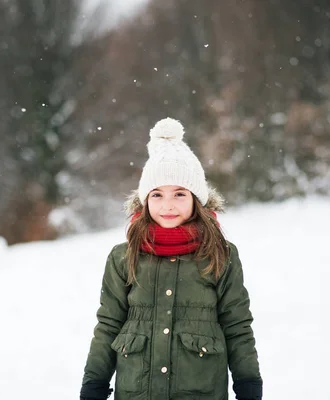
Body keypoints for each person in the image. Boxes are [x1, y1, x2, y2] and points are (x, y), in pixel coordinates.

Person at [80, 118, 262, 400]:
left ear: (196, 200)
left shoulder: (220, 254)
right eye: (157, 194)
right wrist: (94, 384)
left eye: (179, 193)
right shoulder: (123, 256)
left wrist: (249, 384)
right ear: (145, 200)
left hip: (200, 391)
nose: (167, 204)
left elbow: (236, 325)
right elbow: (108, 324)